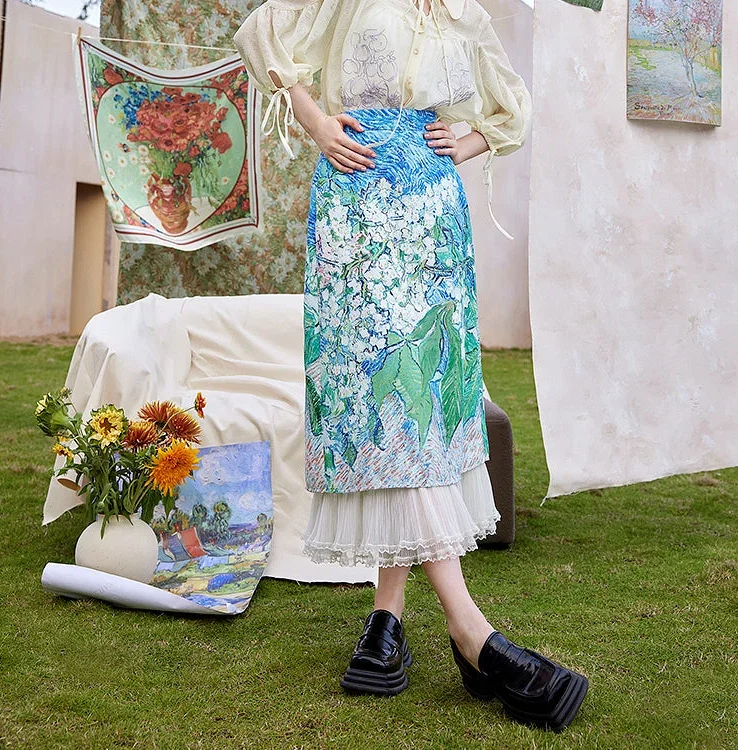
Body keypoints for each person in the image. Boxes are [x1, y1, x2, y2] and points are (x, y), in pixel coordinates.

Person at [234, 0, 588, 732]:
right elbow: (263, 29)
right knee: (378, 401)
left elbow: (510, 103)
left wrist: (468, 142)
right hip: (356, 207)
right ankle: (471, 634)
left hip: (432, 218)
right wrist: (315, 119)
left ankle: (387, 619)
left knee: (417, 399)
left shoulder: (464, 14)